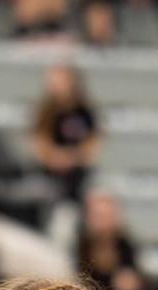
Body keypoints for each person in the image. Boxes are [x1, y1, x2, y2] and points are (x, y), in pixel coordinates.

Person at [29, 63, 103, 202]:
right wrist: (55, 158)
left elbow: (92, 146)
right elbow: (39, 144)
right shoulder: (44, 112)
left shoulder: (85, 112)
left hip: (78, 174)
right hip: (48, 173)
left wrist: (70, 158)